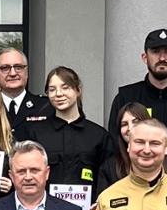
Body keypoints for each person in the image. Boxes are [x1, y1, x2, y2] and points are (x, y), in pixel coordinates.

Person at [106, 28, 167, 171]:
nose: (162, 58)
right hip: (134, 180)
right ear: (144, 57)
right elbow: (116, 144)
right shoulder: (126, 97)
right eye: (155, 51)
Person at [23, 67, 117, 199]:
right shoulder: (35, 134)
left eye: (65, 87)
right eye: (52, 89)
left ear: (78, 90)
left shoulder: (98, 135)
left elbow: (109, 178)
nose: (58, 94)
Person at [0, 47, 47, 132]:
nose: (13, 73)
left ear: (27, 72)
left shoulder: (46, 106)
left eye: (18, 67)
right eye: (5, 68)